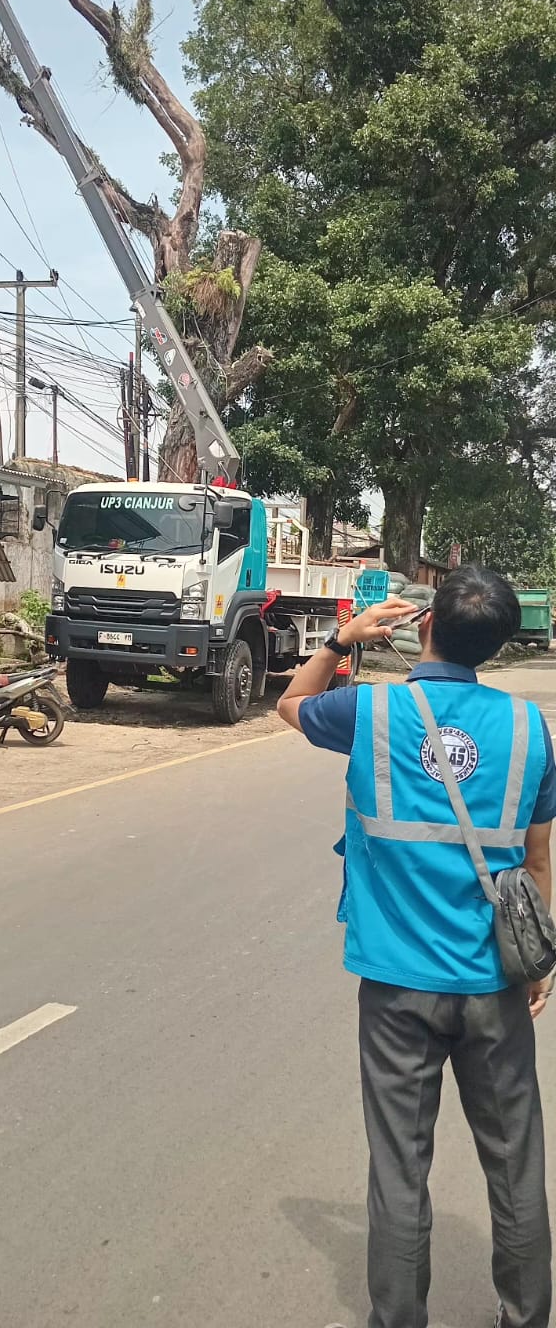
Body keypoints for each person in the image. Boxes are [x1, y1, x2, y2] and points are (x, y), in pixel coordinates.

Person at [277, 565, 555, 1328]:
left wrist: (341, 639)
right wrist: (539, 960)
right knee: (515, 1164)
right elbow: (536, 859)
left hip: (398, 988)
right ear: (498, 646)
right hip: (495, 982)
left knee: (400, 1169)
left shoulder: (370, 712)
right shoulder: (532, 729)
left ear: (423, 624)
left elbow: (290, 703)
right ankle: (527, 1318)